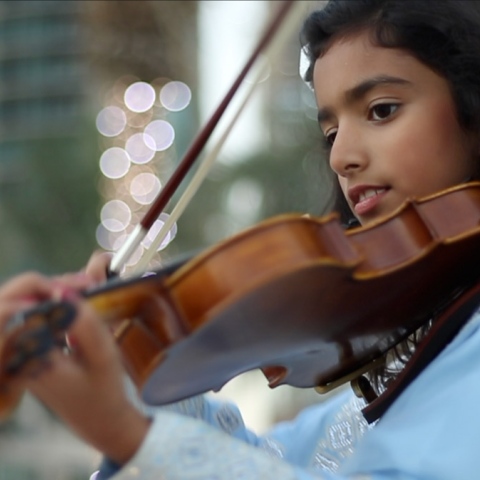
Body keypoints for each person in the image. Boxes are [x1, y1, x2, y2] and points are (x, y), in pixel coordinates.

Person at [3, 0, 480, 478]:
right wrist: (127, 375)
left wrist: (132, 434)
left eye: (381, 110)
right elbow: (273, 462)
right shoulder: (421, 356)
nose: (342, 157)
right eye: (330, 132)